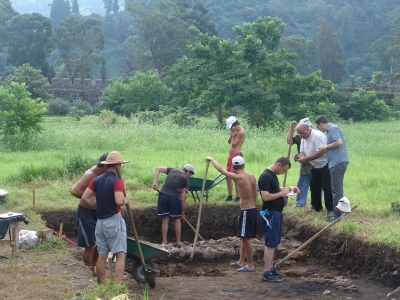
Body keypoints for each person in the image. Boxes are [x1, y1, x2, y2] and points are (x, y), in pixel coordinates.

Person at [81, 151, 131, 284]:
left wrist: (98, 206)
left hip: (100, 223)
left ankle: (102, 285)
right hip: (114, 221)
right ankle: (118, 285)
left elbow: (85, 197)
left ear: (107, 165)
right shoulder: (117, 181)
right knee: (120, 254)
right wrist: (126, 199)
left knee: (102, 255)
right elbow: (119, 201)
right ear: (118, 165)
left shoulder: (96, 180)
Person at [206, 155, 258, 272]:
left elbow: (221, 170)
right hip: (252, 209)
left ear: (234, 167)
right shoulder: (252, 176)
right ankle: (241, 261)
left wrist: (212, 159)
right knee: (244, 237)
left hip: (246, 211)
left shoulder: (237, 177)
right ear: (244, 165)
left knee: (245, 238)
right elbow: (255, 194)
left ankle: (250, 265)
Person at [258, 157, 299, 282]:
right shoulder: (265, 176)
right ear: (279, 165)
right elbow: (265, 196)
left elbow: (274, 189)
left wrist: (288, 189)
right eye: (284, 170)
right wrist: (281, 194)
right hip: (270, 213)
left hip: (276, 213)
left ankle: (271, 269)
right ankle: (266, 272)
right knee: (270, 243)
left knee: (274, 242)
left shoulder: (272, 176)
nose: (284, 173)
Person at [70, 152, 108, 278]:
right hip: (86, 213)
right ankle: (88, 272)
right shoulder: (91, 174)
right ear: (104, 165)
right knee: (90, 245)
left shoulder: (104, 174)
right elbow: (75, 191)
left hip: (97, 212)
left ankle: (95, 269)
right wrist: (89, 198)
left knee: (98, 244)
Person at [152, 164, 196, 246]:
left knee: (166, 219)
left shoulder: (172, 170)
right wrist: (182, 213)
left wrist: (155, 182)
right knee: (177, 219)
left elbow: (157, 168)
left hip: (163, 195)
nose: (190, 176)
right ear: (188, 172)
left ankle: (164, 242)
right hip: (174, 198)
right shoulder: (186, 180)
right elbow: (183, 198)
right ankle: (178, 242)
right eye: (191, 174)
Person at [316, 115, 349, 221]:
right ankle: (338, 213)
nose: (318, 129)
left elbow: (339, 142)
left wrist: (325, 146)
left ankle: (338, 215)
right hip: (337, 162)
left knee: (336, 190)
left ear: (321, 124)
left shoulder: (333, 128)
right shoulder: (331, 130)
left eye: (318, 127)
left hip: (337, 162)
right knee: (336, 189)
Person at [296, 122, 333, 214]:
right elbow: (303, 151)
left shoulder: (318, 136)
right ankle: (316, 208)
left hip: (325, 164)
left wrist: (306, 159)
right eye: (299, 134)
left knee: (327, 187)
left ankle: (330, 209)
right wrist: (300, 157)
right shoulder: (304, 138)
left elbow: (321, 152)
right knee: (314, 186)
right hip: (315, 165)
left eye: (301, 133)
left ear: (307, 129)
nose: (300, 136)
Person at [286, 118, 313, 207]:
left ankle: (314, 204)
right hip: (304, 165)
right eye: (300, 132)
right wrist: (291, 129)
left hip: (315, 164)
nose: (301, 134)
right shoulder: (299, 137)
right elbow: (289, 141)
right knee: (302, 183)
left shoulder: (315, 135)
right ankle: (300, 203)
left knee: (316, 185)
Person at [225, 116, 246, 202]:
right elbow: (229, 142)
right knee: (228, 177)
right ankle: (229, 195)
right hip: (231, 156)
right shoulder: (234, 132)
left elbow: (234, 144)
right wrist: (231, 136)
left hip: (236, 155)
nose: (231, 130)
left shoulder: (240, 132)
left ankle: (238, 197)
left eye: (231, 128)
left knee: (235, 177)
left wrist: (233, 136)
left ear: (235, 125)